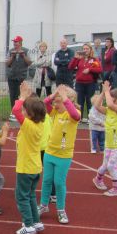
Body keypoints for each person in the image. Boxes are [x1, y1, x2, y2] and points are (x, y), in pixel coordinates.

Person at [38, 85, 81, 224]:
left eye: (58, 101)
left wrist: (65, 98)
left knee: (59, 183)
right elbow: (44, 104)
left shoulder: (74, 114)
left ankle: (61, 210)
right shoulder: (54, 113)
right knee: (46, 181)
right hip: (50, 152)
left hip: (64, 155)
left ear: (68, 101)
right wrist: (53, 95)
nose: (55, 104)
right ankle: (43, 206)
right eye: (55, 102)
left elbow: (75, 115)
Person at [11, 82, 46, 234]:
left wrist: (23, 97)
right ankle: (36, 221)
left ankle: (28, 224)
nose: (22, 110)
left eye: (25, 109)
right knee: (30, 195)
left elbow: (15, 110)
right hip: (35, 167)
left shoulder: (29, 126)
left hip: (26, 168)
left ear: (30, 114)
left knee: (21, 196)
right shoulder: (38, 125)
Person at [92, 82, 117, 197]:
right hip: (110, 145)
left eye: (112, 97)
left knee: (111, 165)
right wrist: (103, 93)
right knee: (105, 165)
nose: (110, 99)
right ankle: (97, 179)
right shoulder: (109, 110)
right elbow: (97, 106)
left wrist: (108, 92)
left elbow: (111, 104)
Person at [68, 43, 101, 119]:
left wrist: (90, 69)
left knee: (89, 101)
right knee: (79, 101)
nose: (85, 50)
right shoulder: (80, 58)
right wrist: (75, 58)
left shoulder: (94, 59)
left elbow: (99, 69)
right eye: (84, 49)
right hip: (79, 83)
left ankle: (91, 118)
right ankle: (80, 117)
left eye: (87, 49)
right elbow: (70, 67)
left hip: (90, 83)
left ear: (90, 50)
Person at [5, 36, 32, 115]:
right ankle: (13, 112)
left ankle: (22, 111)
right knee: (13, 95)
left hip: (22, 77)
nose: (14, 43)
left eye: (16, 42)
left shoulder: (26, 51)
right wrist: (12, 56)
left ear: (20, 42)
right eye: (14, 42)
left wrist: (23, 56)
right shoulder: (10, 51)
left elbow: (29, 62)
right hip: (12, 76)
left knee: (22, 95)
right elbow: (7, 63)